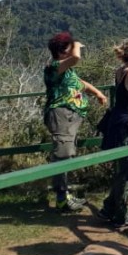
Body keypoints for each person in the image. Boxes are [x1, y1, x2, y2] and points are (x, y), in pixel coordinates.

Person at [43, 32, 107, 212]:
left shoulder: (66, 71)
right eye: (69, 48)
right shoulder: (53, 67)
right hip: (62, 115)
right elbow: (77, 58)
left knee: (67, 153)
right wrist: (76, 44)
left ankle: (65, 195)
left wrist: (98, 94)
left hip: (70, 117)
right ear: (63, 52)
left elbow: (81, 83)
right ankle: (62, 197)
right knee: (63, 154)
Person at [98, 38, 128, 227]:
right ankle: (121, 215)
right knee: (126, 171)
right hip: (126, 125)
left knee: (121, 169)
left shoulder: (121, 71)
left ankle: (109, 208)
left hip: (118, 122)